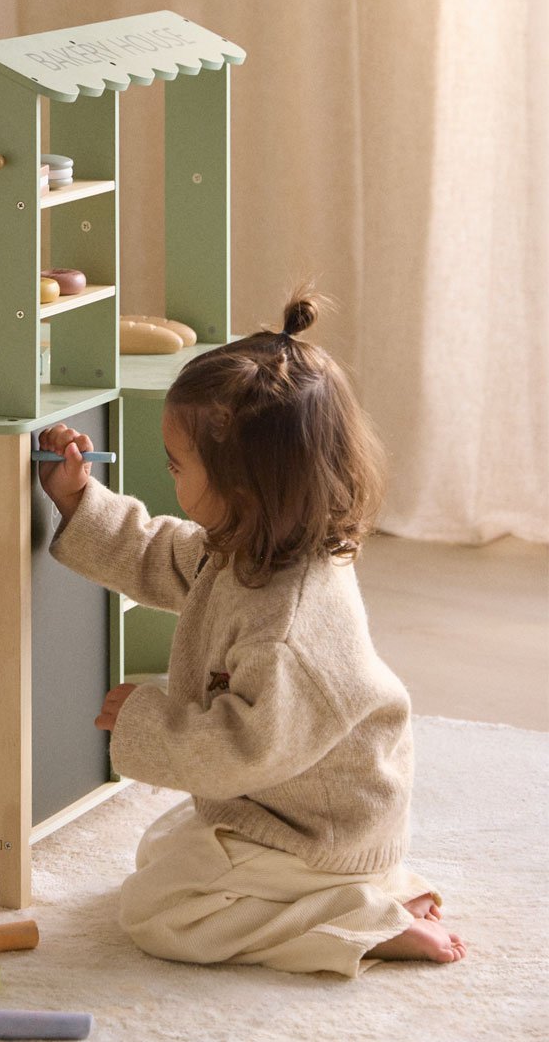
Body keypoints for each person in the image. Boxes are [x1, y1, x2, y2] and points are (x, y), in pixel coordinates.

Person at [38, 291, 466, 976]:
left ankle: (359, 923)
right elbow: (161, 555)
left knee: (160, 912)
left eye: (178, 467)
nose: (169, 477)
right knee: (165, 846)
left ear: (242, 486)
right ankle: (366, 893)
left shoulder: (288, 626)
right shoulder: (248, 545)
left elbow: (241, 751)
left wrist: (143, 721)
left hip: (319, 827)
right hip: (290, 801)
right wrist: (80, 502)